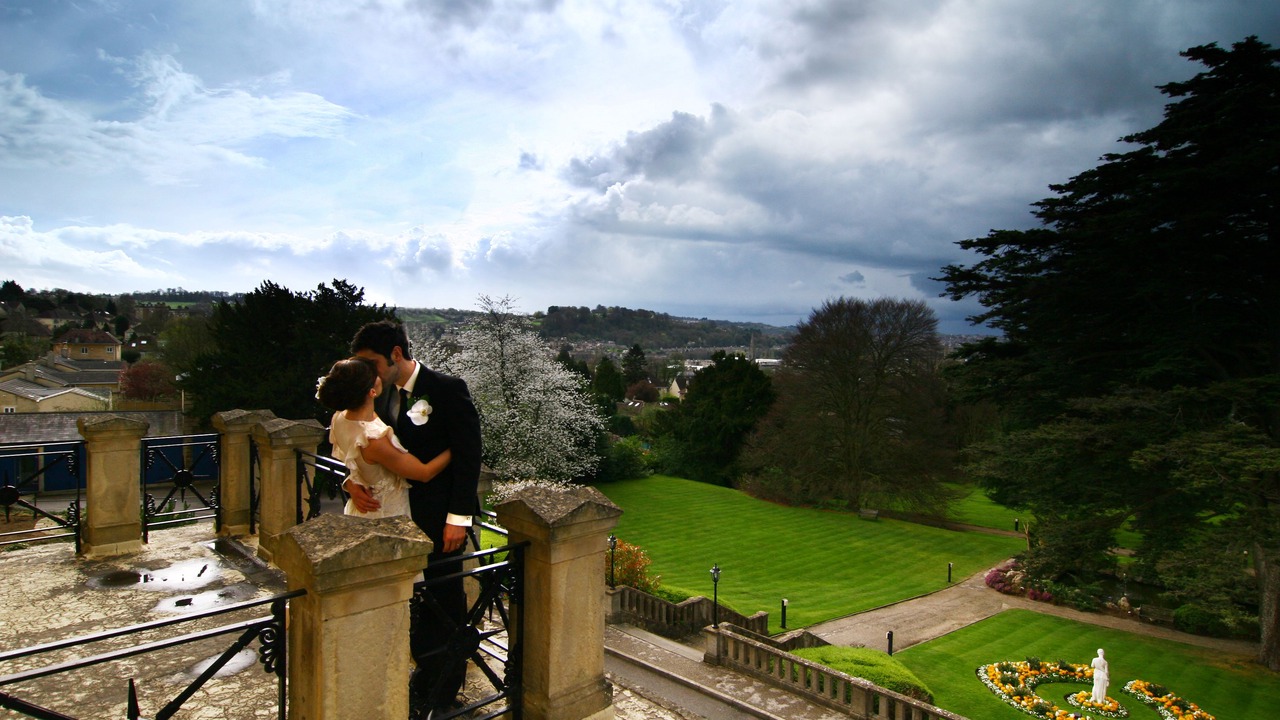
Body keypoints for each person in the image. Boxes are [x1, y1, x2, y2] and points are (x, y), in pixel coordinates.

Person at [348, 320, 482, 718]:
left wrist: (458, 517)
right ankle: (419, 680)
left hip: (440, 519)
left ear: (395, 354)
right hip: (395, 520)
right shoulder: (376, 393)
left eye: (371, 362)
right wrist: (348, 483)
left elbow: (469, 452)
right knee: (411, 606)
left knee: (445, 603)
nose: (367, 372)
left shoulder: (445, 389)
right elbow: (359, 445)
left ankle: (441, 695)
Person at [316, 356, 452, 518]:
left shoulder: (340, 417)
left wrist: (352, 483)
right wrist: (456, 446)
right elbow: (424, 472)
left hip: (363, 509)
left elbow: (354, 461)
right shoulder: (373, 440)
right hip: (385, 513)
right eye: (375, 375)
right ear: (372, 391)